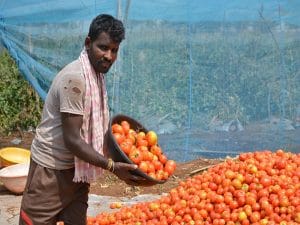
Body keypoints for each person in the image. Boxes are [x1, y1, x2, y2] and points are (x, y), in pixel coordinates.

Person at [19, 14, 144, 225]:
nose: (109, 56)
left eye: (114, 50)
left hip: (77, 173)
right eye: (103, 47)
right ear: (88, 43)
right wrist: (112, 166)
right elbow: (73, 140)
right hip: (50, 173)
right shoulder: (75, 79)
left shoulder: (96, 76)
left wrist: (130, 157)